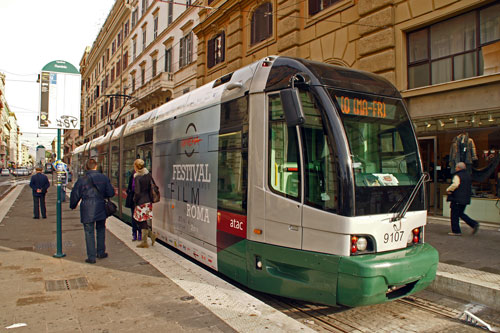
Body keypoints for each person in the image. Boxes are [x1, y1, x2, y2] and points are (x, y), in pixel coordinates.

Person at [70, 159, 114, 264]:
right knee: (101, 229)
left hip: (87, 208)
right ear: (96, 166)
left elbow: (75, 194)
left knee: (89, 232)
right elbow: (111, 192)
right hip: (100, 206)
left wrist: (73, 205)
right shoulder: (104, 178)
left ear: (86, 167)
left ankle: (91, 257)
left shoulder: (82, 179)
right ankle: (101, 252)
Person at [446, 162, 480, 236]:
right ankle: (473, 224)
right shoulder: (468, 175)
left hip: (457, 198)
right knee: (460, 213)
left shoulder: (457, 175)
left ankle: (456, 231)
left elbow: (455, 184)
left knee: (454, 215)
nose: (455, 168)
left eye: (456, 167)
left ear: (458, 168)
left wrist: (448, 189)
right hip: (465, 198)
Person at [133, 159, 156, 248]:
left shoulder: (137, 177)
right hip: (148, 201)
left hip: (141, 202)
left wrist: (135, 199)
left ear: (136, 167)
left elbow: (137, 192)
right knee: (143, 220)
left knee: (139, 220)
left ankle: (145, 241)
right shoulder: (148, 175)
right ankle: (150, 236)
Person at [125, 170, 141, 241]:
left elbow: (129, 188)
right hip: (141, 200)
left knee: (134, 217)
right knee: (140, 217)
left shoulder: (133, 175)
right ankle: (140, 234)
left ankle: (134, 234)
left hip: (133, 199)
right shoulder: (145, 175)